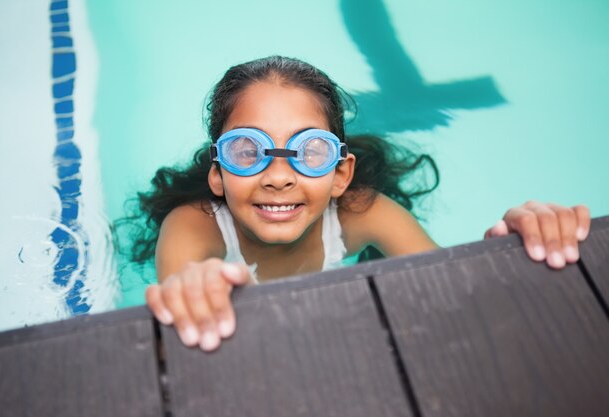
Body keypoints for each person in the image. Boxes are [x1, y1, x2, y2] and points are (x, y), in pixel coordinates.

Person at [130, 56, 590, 352]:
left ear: (340, 174)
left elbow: (454, 288)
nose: (278, 177)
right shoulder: (194, 227)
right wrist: (193, 287)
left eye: (310, 153)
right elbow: (180, 296)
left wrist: (500, 255)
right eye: (247, 152)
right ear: (218, 173)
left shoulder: (362, 212)